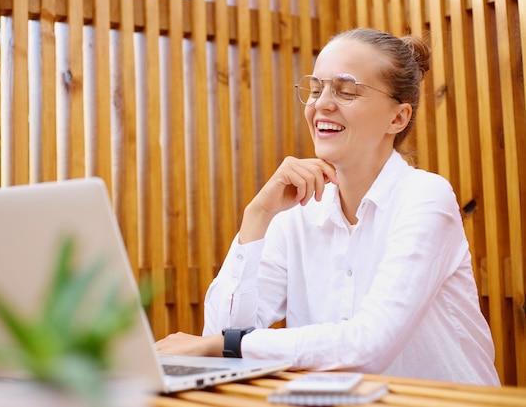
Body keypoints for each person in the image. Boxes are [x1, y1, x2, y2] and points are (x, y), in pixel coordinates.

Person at [155, 28, 500, 386]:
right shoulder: (297, 213)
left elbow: (368, 345)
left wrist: (224, 345)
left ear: (397, 118)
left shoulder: (426, 198)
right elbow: (221, 333)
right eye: (316, 89)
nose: (321, 104)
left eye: (346, 90)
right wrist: (256, 216)